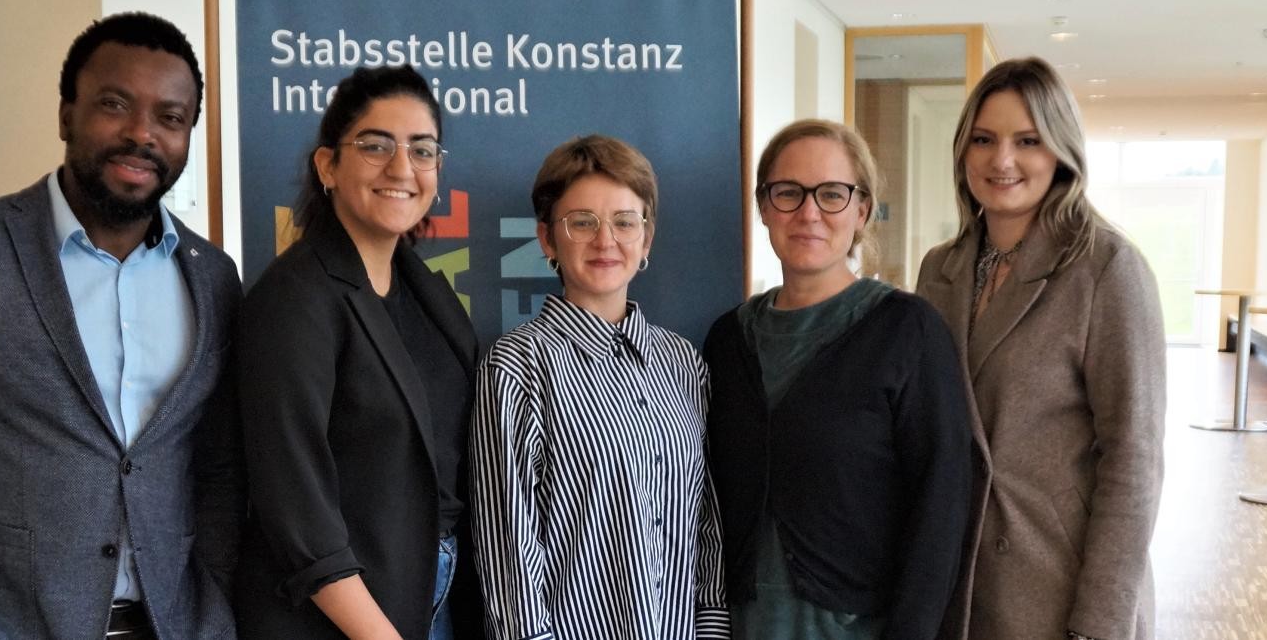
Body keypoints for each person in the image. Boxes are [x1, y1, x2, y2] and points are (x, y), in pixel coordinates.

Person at [0, 12, 242, 640]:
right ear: (66, 114)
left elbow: (218, 469)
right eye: (115, 105)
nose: (142, 134)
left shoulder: (214, 277)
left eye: (170, 118)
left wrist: (212, 604)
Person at [914, 56, 1166, 640]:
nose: (1001, 160)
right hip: (957, 579)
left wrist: (1099, 623)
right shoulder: (939, 269)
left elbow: (1134, 458)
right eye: (984, 139)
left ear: (1061, 150)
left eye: (1027, 140)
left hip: (1057, 585)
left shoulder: (1106, 268)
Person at [234, 64, 482, 639]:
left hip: (434, 593)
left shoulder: (426, 293)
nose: (401, 168)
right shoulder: (295, 297)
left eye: (422, 150)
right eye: (375, 145)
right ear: (327, 166)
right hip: (345, 616)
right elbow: (295, 503)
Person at [703, 120, 972, 640]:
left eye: (831, 194)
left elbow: (941, 505)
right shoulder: (726, 341)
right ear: (763, 207)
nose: (809, 213)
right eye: (788, 192)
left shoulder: (907, 331)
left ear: (861, 211)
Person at [471, 135, 730, 640]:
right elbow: (507, 544)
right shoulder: (517, 365)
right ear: (548, 240)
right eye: (582, 222)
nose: (605, 240)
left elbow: (707, 517)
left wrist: (713, 625)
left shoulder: (683, 363)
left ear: (646, 239)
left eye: (625, 222)